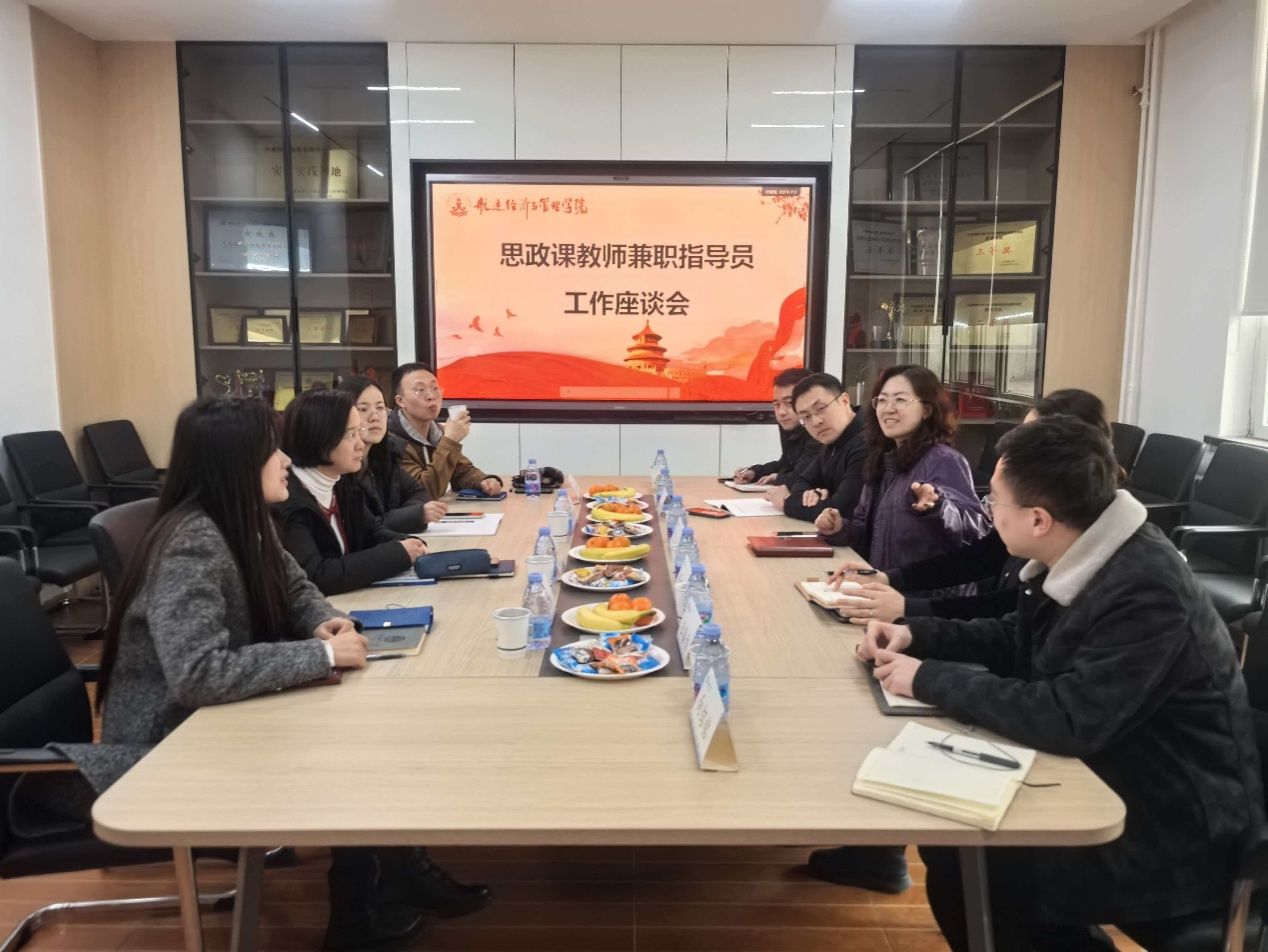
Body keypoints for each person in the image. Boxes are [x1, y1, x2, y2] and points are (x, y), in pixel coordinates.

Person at [5, 397, 434, 950]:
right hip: (165, 747)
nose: (286, 460)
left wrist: (324, 621)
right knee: (357, 746)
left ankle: (401, 876)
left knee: (367, 726)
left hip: (209, 719)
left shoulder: (239, 519)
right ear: (237, 462)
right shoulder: (191, 543)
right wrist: (323, 656)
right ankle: (357, 916)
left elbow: (296, 587)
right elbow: (198, 672)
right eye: (272, 450)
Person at [859, 414, 1263, 951]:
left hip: (1173, 827)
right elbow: (1018, 638)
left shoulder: (1145, 589)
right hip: (1114, 772)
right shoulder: (1086, 550)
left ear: (1039, 519)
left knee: (979, 865)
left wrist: (928, 678)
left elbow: (1068, 718)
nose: (988, 510)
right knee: (957, 850)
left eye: (995, 500)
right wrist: (916, 635)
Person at [806, 366, 987, 894]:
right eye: (882, 399)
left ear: (928, 408)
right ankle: (874, 845)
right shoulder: (885, 459)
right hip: (887, 599)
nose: (887, 408)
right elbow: (868, 528)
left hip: (934, 608)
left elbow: (977, 535)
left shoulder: (944, 462)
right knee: (867, 712)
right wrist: (842, 527)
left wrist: (938, 509)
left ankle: (883, 854)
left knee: (891, 720)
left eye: (901, 400)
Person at [829, 388, 1113, 625]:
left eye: (901, 399)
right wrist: (889, 579)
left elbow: (1011, 615)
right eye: (882, 399)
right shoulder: (1039, 508)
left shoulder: (1085, 547)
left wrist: (909, 610)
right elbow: (981, 557)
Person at [275, 389, 427, 595]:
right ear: (318, 437)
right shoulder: (288, 499)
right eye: (350, 435)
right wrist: (398, 553)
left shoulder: (342, 483)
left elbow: (371, 532)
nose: (360, 444)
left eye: (359, 431)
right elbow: (316, 576)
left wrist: (409, 543)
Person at [337, 375, 448, 533]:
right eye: (363, 409)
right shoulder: (341, 467)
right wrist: (415, 514)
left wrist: (406, 515)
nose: (375, 417)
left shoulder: (387, 453)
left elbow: (419, 493)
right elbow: (365, 528)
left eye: (380, 408)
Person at [387, 362, 503, 499]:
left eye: (435, 388)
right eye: (420, 390)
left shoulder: (437, 431)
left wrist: (483, 481)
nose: (431, 396)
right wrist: (450, 441)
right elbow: (423, 492)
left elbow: (460, 470)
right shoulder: (390, 441)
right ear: (400, 401)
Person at [767, 372, 868, 522]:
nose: (816, 422)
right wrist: (811, 494)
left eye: (821, 408)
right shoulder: (832, 439)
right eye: (806, 417)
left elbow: (838, 510)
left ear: (844, 400)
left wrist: (786, 501)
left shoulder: (867, 442)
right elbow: (801, 480)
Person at [732, 367, 816, 486]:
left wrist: (779, 478)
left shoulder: (818, 430)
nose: (781, 412)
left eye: (789, 403)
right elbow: (786, 464)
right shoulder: (791, 427)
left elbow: (808, 475)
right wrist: (754, 472)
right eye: (777, 404)